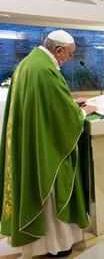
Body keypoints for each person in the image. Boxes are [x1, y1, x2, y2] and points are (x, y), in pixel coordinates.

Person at [0, 30, 97, 258]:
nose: (69, 59)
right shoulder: (44, 69)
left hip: (32, 138)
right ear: (59, 50)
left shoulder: (30, 63)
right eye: (69, 55)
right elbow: (60, 115)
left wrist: (71, 102)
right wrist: (80, 113)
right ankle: (55, 244)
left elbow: (45, 102)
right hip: (44, 146)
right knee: (52, 186)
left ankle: (42, 243)